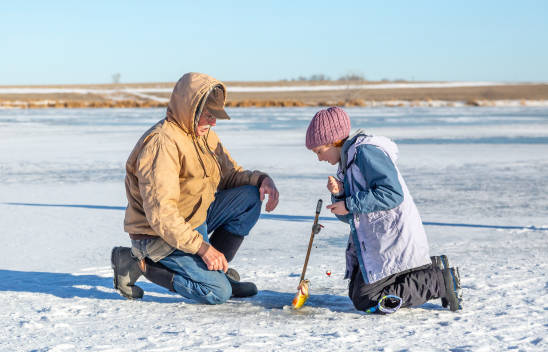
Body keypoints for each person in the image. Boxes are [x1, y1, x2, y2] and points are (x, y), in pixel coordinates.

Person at [111, 72, 279, 305]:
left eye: (215, 116)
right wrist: (203, 249)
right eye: (209, 116)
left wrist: (261, 180)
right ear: (190, 110)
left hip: (194, 220)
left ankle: (215, 271)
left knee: (249, 198)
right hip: (157, 236)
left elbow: (230, 175)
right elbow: (163, 216)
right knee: (217, 293)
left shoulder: (204, 135)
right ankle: (139, 264)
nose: (213, 122)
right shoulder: (162, 143)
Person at [304, 106, 462, 313]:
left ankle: (439, 281)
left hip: (393, 236)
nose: (319, 158)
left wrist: (349, 204)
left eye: (319, 151)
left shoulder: (365, 153)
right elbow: (351, 217)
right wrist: (340, 195)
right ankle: (429, 268)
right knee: (357, 293)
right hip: (376, 242)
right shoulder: (347, 165)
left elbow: (392, 193)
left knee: (367, 298)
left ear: (334, 141)